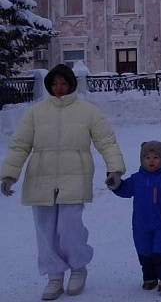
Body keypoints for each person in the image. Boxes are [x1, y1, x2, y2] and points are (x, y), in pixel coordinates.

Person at [0, 64, 126, 300]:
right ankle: (54, 275)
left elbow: (106, 141)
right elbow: (20, 144)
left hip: (74, 176)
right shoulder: (35, 112)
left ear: (71, 84)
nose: (59, 88)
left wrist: (115, 169)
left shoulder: (88, 111)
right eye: (54, 83)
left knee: (70, 228)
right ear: (49, 86)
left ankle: (78, 268)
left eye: (63, 83)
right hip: (41, 177)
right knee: (45, 231)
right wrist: (9, 174)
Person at [107, 141, 161, 294]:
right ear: (142, 159)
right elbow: (125, 190)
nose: (151, 161)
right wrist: (115, 184)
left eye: (155, 157)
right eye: (147, 157)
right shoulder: (137, 179)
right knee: (144, 250)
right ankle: (149, 278)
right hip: (141, 224)